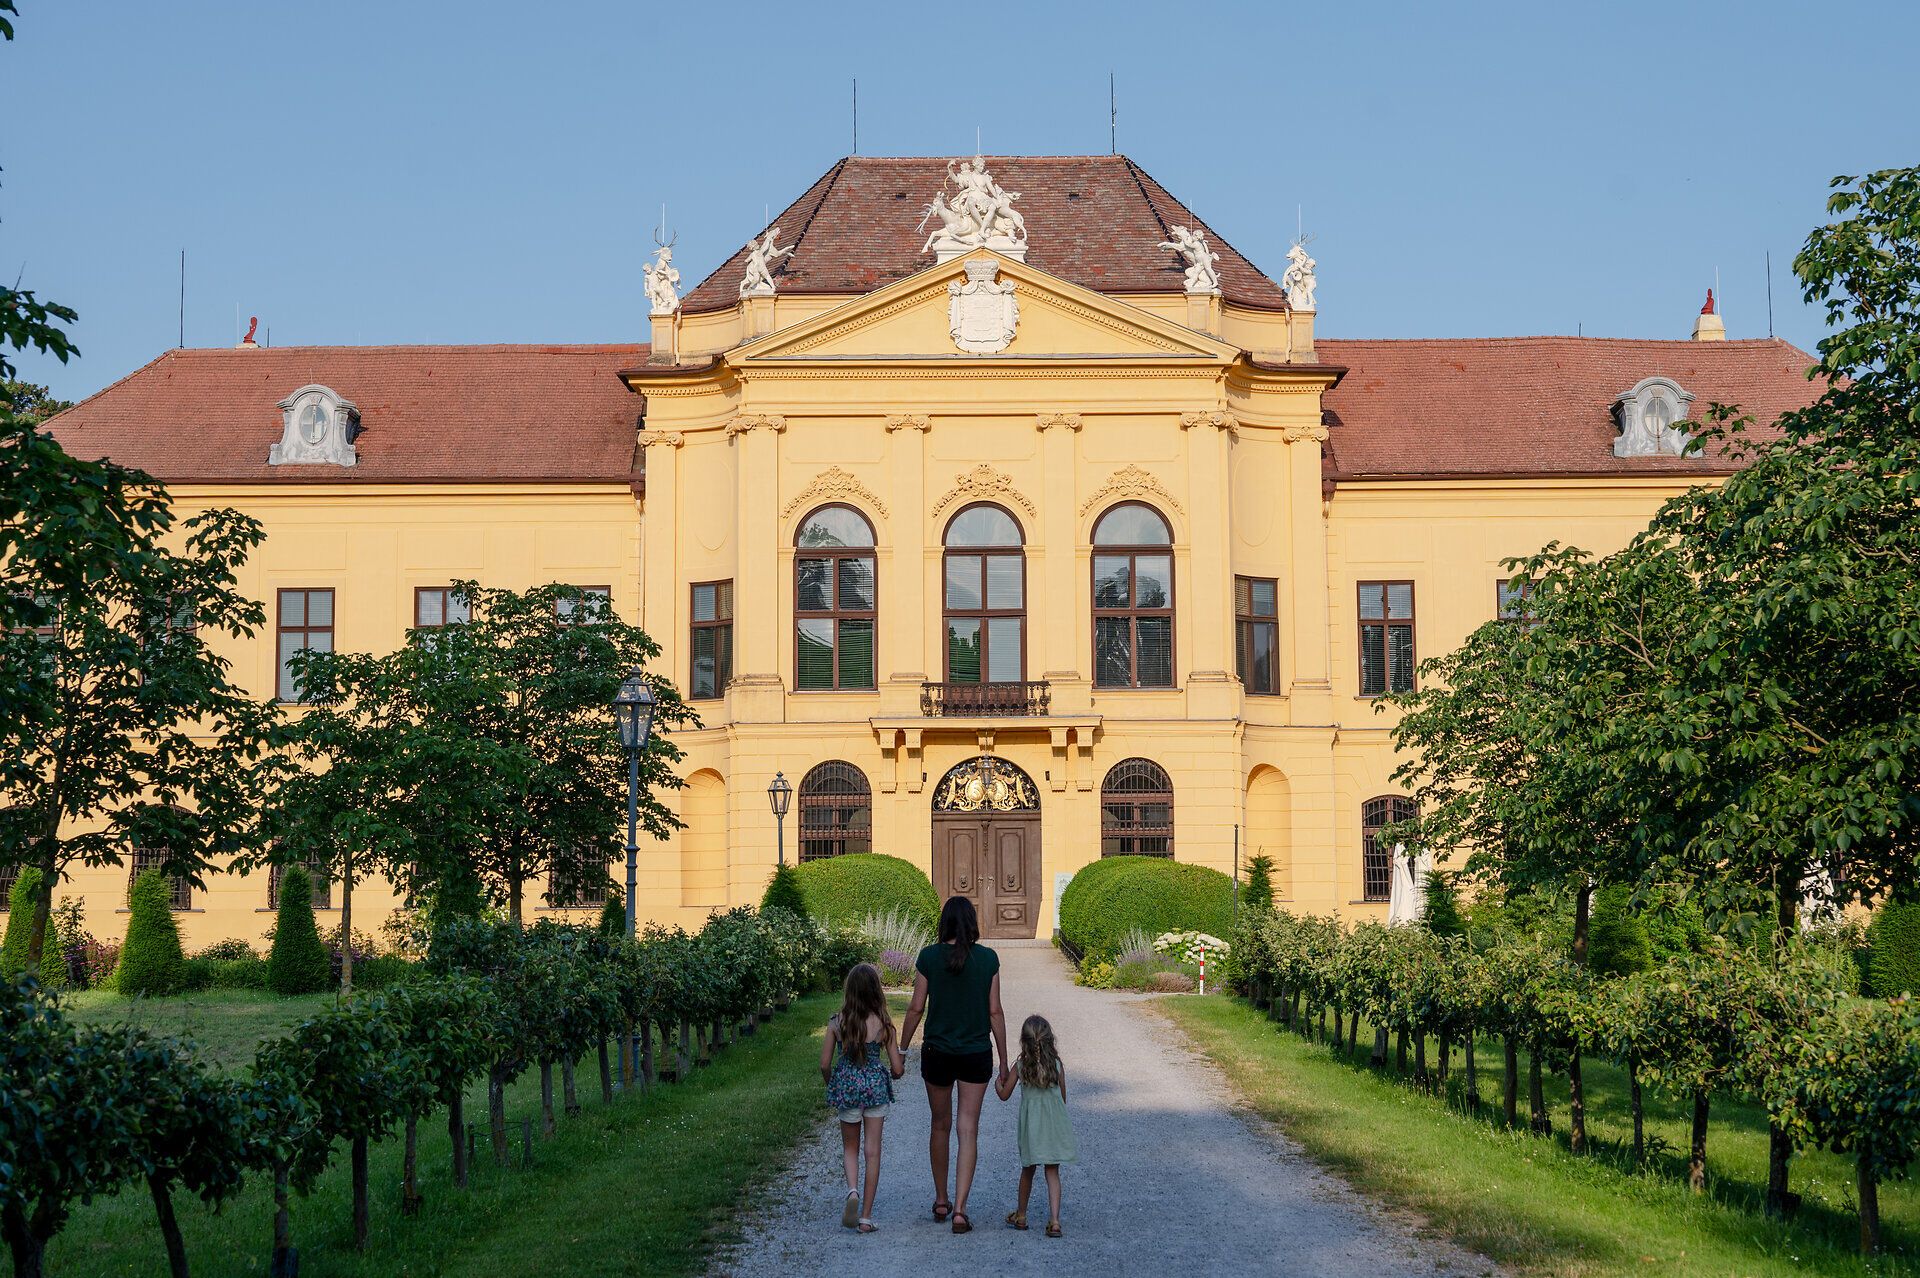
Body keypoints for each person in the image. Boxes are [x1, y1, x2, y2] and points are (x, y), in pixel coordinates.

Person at [899, 896, 1008, 1234]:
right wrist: (1004, 1060)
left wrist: (901, 1049)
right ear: (972, 923)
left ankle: (942, 1199)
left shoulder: (929, 957)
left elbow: (916, 1008)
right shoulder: (988, 959)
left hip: (938, 1052)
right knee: (968, 1129)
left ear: (943, 923)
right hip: (976, 1052)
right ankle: (961, 1209)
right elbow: (995, 1012)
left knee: (940, 1125)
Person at [821, 962, 906, 1233]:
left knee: (850, 1148)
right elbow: (896, 1069)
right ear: (876, 992)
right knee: (873, 1152)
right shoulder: (884, 1025)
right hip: (875, 1090)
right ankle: (866, 1217)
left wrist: (833, 1083)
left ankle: (853, 1191)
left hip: (847, 1087)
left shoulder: (837, 1023)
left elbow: (824, 1064)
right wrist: (895, 1071)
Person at [996, 1013, 1077, 1238]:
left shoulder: (1020, 1066)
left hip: (1032, 1128)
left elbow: (1004, 1095)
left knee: (1028, 1170)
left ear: (1024, 1041)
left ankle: (1021, 1215)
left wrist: (997, 1083)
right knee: (1052, 1171)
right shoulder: (1058, 1066)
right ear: (1050, 1040)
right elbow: (1063, 1097)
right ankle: (1055, 1220)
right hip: (1053, 1126)